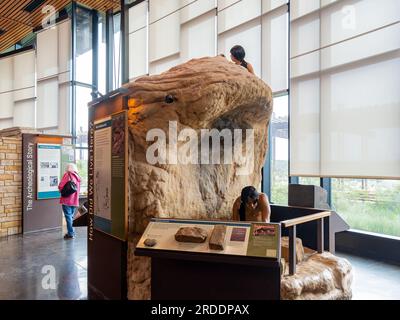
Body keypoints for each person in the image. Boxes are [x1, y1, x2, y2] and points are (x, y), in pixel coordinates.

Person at [58, 163, 81, 239]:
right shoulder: (77, 176)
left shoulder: (67, 175)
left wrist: (60, 189)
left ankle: (71, 233)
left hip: (67, 200)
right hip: (74, 200)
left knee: (68, 217)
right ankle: (72, 232)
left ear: (68, 168)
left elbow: (61, 186)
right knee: (71, 217)